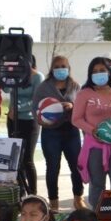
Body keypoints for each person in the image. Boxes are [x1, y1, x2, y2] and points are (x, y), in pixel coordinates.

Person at [72, 57, 111, 210]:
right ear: (90, 74)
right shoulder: (84, 94)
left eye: (102, 71)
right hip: (94, 149)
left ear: (109, 72)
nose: (99, 74)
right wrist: (93, 130)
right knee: (97, 185)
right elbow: (76, 119)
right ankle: (98, 219)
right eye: (95, 71)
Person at [30, 55, 83, 212]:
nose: (61, 69)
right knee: (53, 167)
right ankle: (54, 203)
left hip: (71, 130)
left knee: (76, 166)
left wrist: (72, 106)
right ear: (52, 69)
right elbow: (35, 110)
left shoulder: (75, 86)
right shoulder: (44, 87)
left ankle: (78, 199)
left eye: (63, 66)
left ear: (69, 68)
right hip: (51, 132)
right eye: (57, 66)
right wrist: (44, 118)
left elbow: (82, 106)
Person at [5, 56, 43, 194]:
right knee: (16, 159)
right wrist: (5, 73)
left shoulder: (37, 77)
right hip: (13, 120)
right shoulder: (14, 76)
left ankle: (33, 193)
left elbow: (36, 100)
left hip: (30, 120)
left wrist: (17, 108)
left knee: (27, 159)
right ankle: (20, 192)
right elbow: (5, 89)